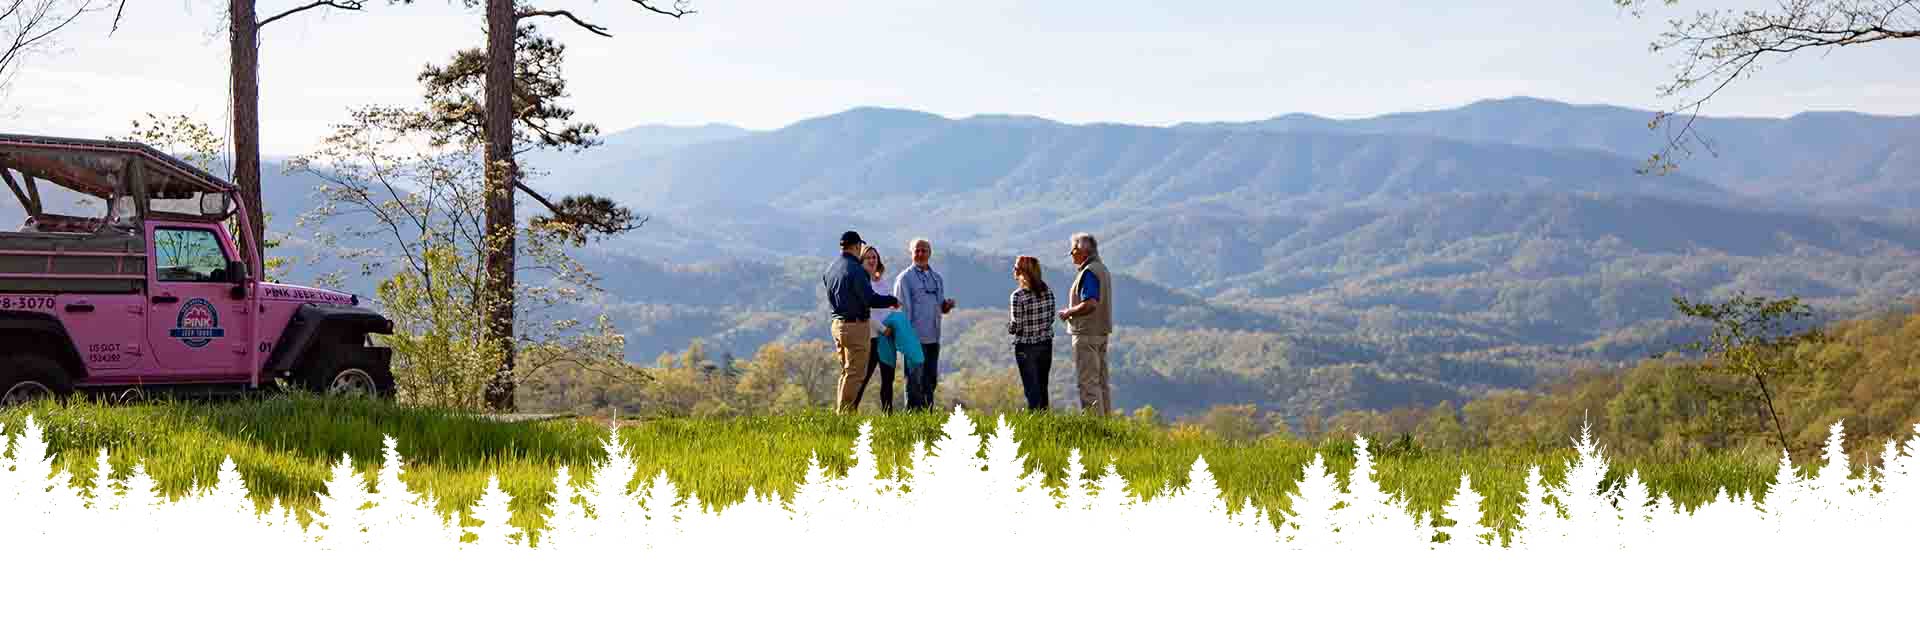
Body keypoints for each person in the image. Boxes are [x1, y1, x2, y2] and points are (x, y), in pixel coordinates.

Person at [823, 231, 899, 415]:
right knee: (856, 373)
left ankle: (841, 411)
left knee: (846, 371)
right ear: (857, 246)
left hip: (837, 324)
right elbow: (869, 299)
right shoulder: (857, 270)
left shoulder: (831, 268)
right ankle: (846, 414)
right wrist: (891, 300)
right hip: (855, 326)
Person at [893, 238, 954, 411]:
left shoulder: (937, 278)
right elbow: (901, 310)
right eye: (917, 251)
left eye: (924, 250)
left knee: (930, 380)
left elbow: (940, 307)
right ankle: (913, 418)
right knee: (914, 381)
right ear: (911, 253)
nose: (920, 254)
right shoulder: (904, 278)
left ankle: (928, 415)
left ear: (930, 253)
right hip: (914, 338)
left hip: (933, 337)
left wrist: (946, 306)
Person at [1058, 232, 1113, 416]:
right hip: (1101, 332)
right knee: (1101, 382)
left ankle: (1095, 428)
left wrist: (1068, 313)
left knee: (1088, 383)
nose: (1070, 253)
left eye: (1073, 249)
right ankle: (1106, 425)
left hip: (1086, 333)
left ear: (1082, 251)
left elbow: (1090, 303)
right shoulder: (1102, 269)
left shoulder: (1089, 272)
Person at [851, 244, 899, 414]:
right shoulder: (862, 282)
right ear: (861, 261)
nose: (872, 260)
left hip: (888, 338)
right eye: (868, 257)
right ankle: (850, 412)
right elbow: (865, 311)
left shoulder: (883, 282)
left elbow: (889, 308)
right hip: (871, 338)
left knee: (888, 379)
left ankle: (889, 416)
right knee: (863, 378)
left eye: (874, 257)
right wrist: (882, 329)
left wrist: (894, 323)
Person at [1008, 255, 1056, 411]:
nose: (1013, 270)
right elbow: (1051, 318)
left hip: (1026, 347)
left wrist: (1010, 327)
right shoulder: (1048, 292)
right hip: (1045, 344)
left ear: (1023, 272)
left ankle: (1034, 422)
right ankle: (1044, 419)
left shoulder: (1018, 296)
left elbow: (1017, 325)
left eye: (1016, 267)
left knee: (1031, 388)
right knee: (1043, 386)